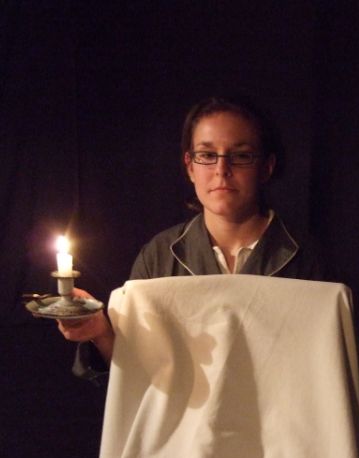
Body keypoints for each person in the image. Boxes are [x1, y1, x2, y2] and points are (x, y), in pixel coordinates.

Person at [58, 96, 328, 381]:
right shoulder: (160, 256)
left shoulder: (306, 259)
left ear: (266, 167)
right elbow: (138, 373)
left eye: (241, 156)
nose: (221, 170)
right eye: (207, 155)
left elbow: (322, 373)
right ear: (190, 166)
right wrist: (101, 332)